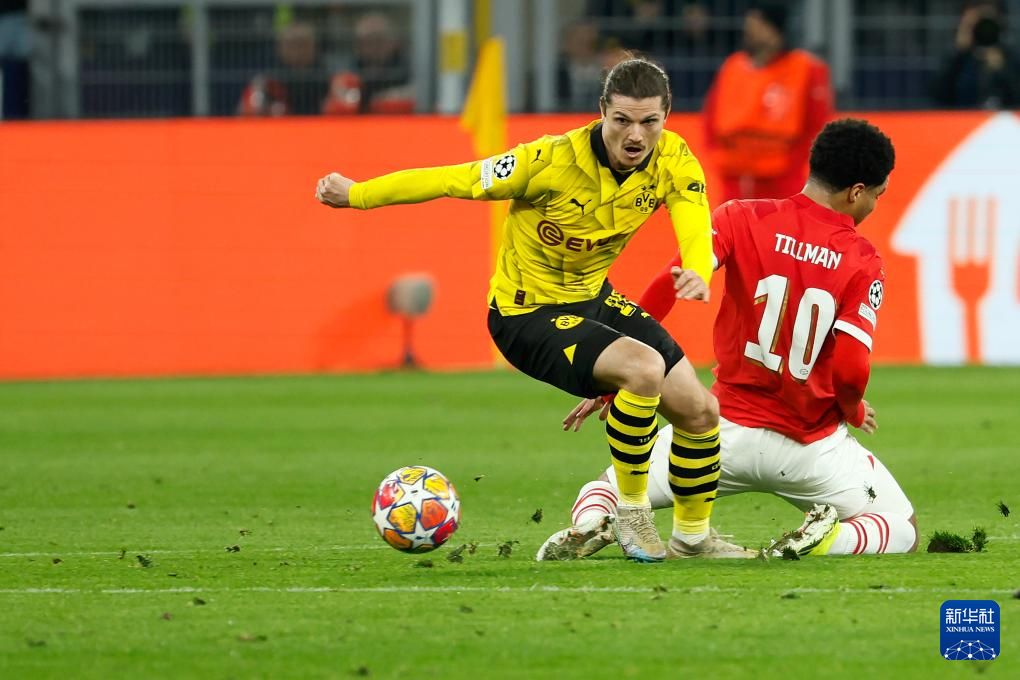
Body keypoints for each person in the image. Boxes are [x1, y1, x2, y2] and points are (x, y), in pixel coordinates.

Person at [316, 58, 751, 562]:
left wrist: (697, 267)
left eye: (649, 121)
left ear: (666, 117)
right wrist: (358, 194)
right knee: (643, 368)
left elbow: (693, 218)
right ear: (602, 112)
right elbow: (453, 179)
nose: (636, 135)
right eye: (623, 120)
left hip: (592, 299)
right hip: (525, 315)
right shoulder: (548, 160)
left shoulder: (673, 158)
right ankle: (632, 515)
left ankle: (693, 539)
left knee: (701, 411)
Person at [541, 118, 917, 560]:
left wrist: (613, 374)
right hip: (811, 449)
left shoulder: (740, 217)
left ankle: (595, 522)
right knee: (902, 527)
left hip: (720, 435)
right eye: (877, 195)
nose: (873, 205)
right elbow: (851, 369)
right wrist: (853, 410)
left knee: (607, 488)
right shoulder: (862, 259)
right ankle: (826, 541)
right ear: (856, 192)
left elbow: (666, 286)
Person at [702, 3, 833, 205]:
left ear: (776, 30)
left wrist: (791, 164)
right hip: (734, 178)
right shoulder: (732, 66)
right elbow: (711, 118)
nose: (749, 30)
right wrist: (720, 159)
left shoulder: (805, 68)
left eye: (758, 24)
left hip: (782, 180)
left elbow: (817, 124)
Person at [931, 0, 1020, 110]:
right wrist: (960, 50)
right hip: (963, 117)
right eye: (976, 24)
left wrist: (1003, 69)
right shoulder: (959, 58)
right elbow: (938, 98)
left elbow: (1016, 97)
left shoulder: (1009, 57)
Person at [322, 11, 414, 115]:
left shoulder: (406, 67)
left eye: (379, 40)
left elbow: (415, 93)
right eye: (367, 41)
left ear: (393, 42)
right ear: (358, 45)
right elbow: (340, 99)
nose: (374, 47)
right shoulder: (350, 70)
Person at [238, 20, 330, 116]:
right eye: (291, 44)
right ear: (279, 48)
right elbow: (245, 115)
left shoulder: (329, 80)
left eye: (303, 44)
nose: (297, 50)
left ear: (315, 47)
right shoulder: (267, 81)